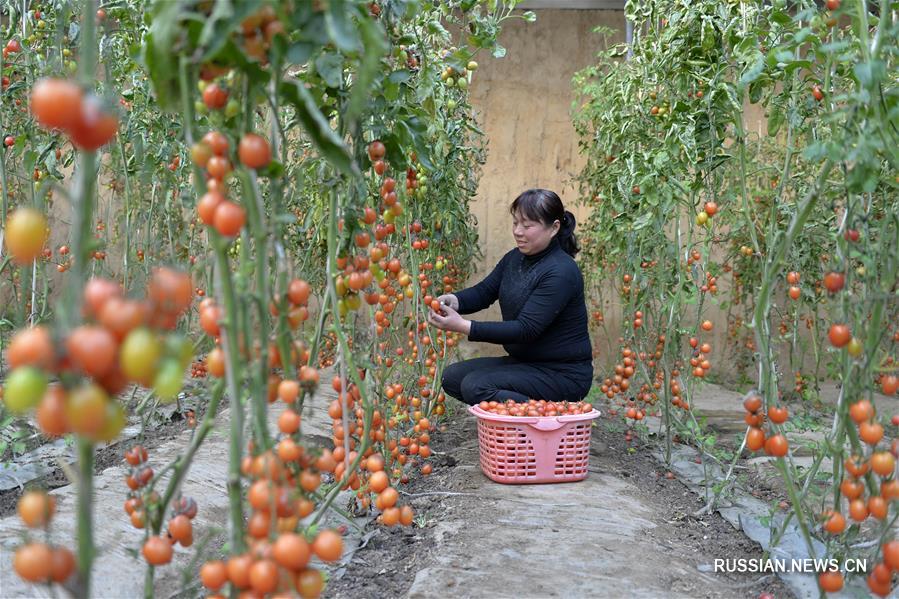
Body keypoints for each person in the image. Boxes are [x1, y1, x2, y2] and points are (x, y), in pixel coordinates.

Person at [427, 188, 593, 406]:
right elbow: (484, 292)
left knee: (476, 386)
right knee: (453, 378)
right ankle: (528, 420)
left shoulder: (561, 272)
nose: (518, 231)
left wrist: (464, 326)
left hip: (562, 374)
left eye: (527, 225)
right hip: (526, 364)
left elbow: (525, 329)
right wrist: (453, 300)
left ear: (553, 228)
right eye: (515, 223)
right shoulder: (515, 259)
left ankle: (549, 420)